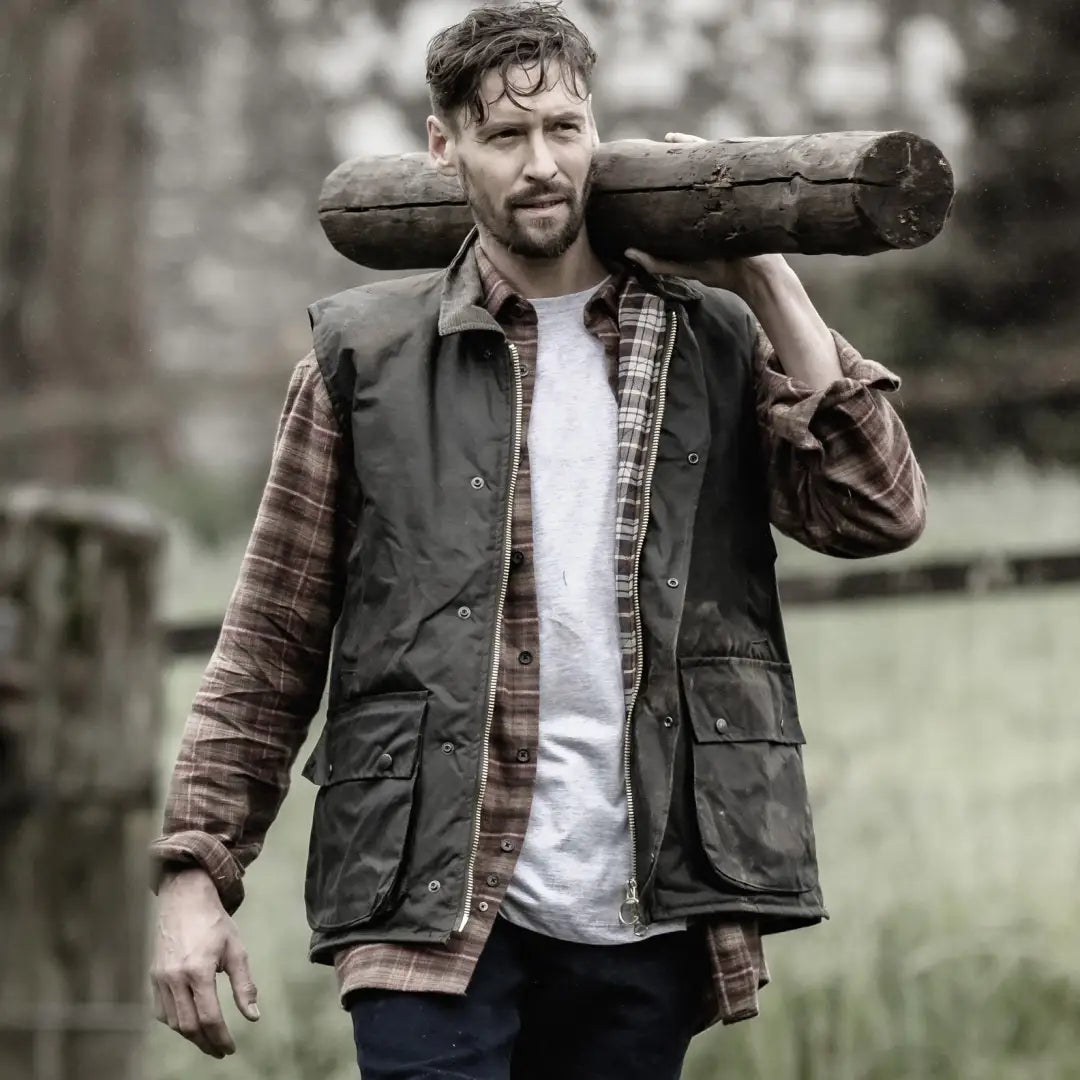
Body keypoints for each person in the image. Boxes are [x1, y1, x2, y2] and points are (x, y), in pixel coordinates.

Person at [148, 3, 927, 1077]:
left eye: (564, 128)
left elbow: (875, 506)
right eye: (504, 137)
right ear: (444, 147)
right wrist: (195, 870)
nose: (541, 164)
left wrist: (761, 271)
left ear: (595, 131)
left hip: (643, 898)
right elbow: (269, 641)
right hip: (431, 898)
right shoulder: (362, 362)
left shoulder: (707, 339)